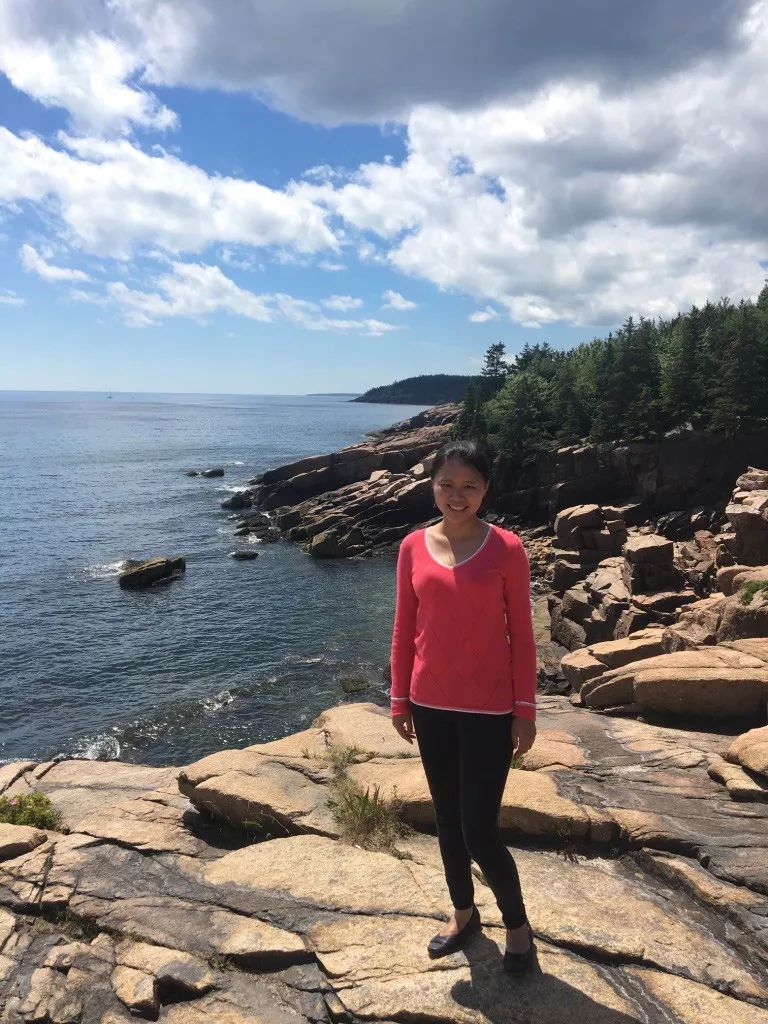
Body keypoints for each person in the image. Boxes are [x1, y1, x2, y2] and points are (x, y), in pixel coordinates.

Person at [389, 439, 538, 973]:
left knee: (480, 830)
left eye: (469, 485)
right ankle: (463, 914)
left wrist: (525, 710)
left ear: (485, 490)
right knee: (447, 821)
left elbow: (523, 635)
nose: (457, 495)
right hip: (429, 704)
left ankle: (517, 926)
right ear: (432, 486)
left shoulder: (507, 549)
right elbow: (404, 628)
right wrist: (398, 698)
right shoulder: (411, 546)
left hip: (489, 710)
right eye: (446, 484)